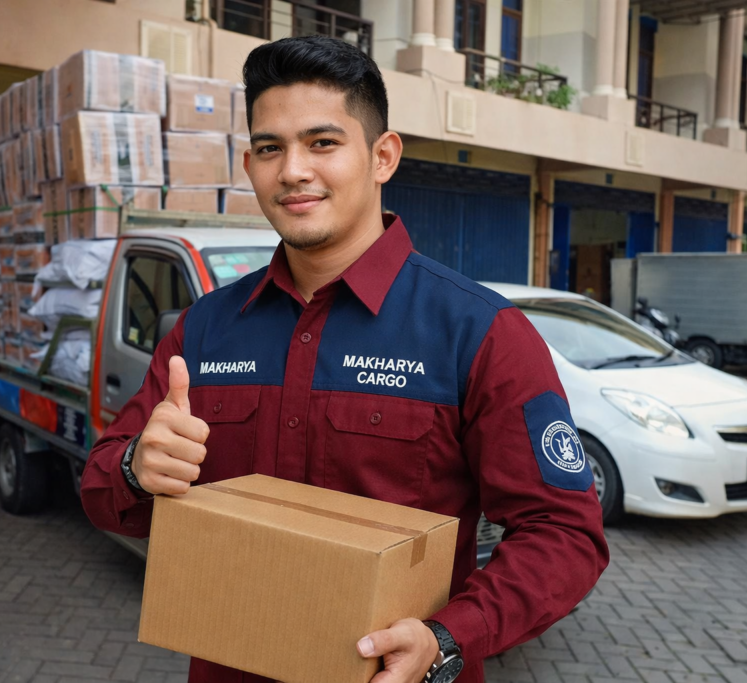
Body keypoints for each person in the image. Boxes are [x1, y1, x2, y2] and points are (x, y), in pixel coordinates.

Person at [81, 35, 608, 683]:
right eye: (270, 148)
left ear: (383, 156)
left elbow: (564, 533)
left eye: (322, 143)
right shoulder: (206, 330)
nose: (293, 170)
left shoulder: (479, 332)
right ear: (249, 165)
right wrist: (137, 465)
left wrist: (448, 637)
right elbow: (103, 488)